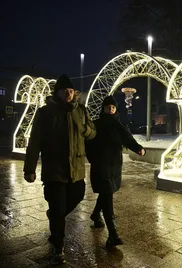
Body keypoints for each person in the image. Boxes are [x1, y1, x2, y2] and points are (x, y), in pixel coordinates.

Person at [23, 74, 96, 265]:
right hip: (54, 169)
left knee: (77, 196)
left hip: (76, 169)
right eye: (65, 91)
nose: (69, 94)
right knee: (58, 208)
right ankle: (57, 246)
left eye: (71, 91)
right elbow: (35, 142)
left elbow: (92, 132)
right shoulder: (45, 112)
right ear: (57, 93)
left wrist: (84, 129)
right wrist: (29, 169)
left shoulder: (81, 110)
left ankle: (54, 216)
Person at [85, 95, 145, 249]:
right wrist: (93, 159)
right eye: (108, 107)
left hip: (114, 167)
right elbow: (88, 144)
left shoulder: (118, 125)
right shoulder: (96, 125)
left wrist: (138, 148)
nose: (110, 109)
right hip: (101, 166)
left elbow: (128, 139)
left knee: (107, 192)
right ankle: (113, 234)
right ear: (103, 108)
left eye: (113, 107)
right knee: (107, 195)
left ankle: (95, 214)